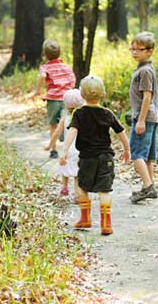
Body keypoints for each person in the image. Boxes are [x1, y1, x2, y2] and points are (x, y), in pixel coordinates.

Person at [60, 75, 130, 236]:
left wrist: (64, 151)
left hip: (87, 159)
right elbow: (121, 132)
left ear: (82, 95)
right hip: (106, 158)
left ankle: (85, 218)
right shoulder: (107, 113)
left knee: (83, 187)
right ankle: (106, 223)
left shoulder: (79, 113)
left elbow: (72, 131)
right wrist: (127, 150)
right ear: (102, 93)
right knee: (104, 190)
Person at [127, 31, 158, 204]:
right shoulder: (143, 68)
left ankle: (148, 187)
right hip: (149, 117)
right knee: (146, 156)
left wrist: (140, 120)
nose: (134, 52)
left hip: (145, 118)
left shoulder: (146, 71)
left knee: (136, 154)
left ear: (149, 51)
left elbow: (147, 96)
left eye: (138, 49)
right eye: (132, 49)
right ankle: (150, 185)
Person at [33, 39, 76, 159]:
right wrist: (69, 89)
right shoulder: (66, 67)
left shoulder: (45, 67)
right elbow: (72, 79)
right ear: (59, 53)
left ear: (45, 55)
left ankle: (54, 150)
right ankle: (64, 137)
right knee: (66, 119)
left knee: (53, 124)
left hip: (52, 98)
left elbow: (42, 76)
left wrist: (38, 90)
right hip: (66, 98)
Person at [51, 88, 85, 199]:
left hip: (68, 149)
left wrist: (50, 144)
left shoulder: (65, 118)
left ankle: (64, 188)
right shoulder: (84, 118)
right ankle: (77, 195)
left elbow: (57, 133)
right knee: (76, 174)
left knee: (64, 168)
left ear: (66, 105)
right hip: (80, 149)